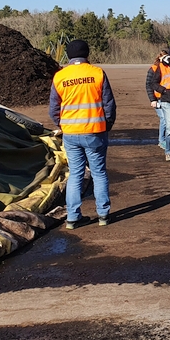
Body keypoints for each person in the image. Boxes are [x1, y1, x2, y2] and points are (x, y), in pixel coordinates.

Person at [49, 39, 116, 229]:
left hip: (70, 134)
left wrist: (62, 125)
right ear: (87, 54)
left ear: (69, 55)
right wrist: (107, 124)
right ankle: (103, 215)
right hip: (95, 132)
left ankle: (72, 217)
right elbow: (109, 104)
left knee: (76, 174)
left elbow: (53, 108)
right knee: (99, 173)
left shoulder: (60, 77)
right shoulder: (97, 73)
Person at [146, 49, 168, 149]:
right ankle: (161, 140)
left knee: (168, 119)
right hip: (157, 98)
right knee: (163, 118)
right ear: (159, 57)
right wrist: (152, 100)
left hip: (167, 98)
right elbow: (148, 85)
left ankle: (167, 139)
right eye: (163, 57)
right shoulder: (153, 69)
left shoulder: (169, 68)